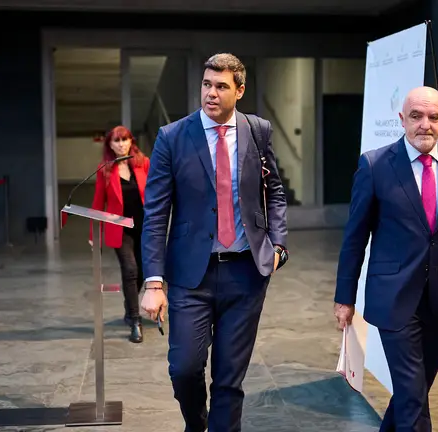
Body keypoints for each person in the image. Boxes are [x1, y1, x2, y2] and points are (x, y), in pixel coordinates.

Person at [139, 53, 289, 432]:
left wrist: (279, 245)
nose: (211, 93)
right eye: (207, 84)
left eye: (221, 86)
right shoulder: (172, 137)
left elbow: (274, 191)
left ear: (239, 90)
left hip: (246, 272)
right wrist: (153, 282)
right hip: (192, 275)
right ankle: (196, 423)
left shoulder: (258, 130)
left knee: (229, 378)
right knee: (185, 367)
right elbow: (155, 213)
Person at [334, 86, 438, 431]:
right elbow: (355, 238)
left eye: (433, 117)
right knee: (413, 399)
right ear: (402, 120)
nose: (424, 125)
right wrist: (345, 298)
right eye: (416, 116)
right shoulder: (375, 165)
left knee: (412, 394)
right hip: (395, 297)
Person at [89, 125, 150, 344]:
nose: (121, 144)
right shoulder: (105, 169)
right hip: (119, 227)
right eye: (116, 141)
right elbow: (98, 203)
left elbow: (155, 193)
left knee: (143, 270)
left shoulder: (143, 163)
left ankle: (129, 304)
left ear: (131, 141)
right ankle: (135, 319)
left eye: (125, 140)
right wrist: (92, 233)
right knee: (130, 269)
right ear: (110, 145)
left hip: (144, 226)